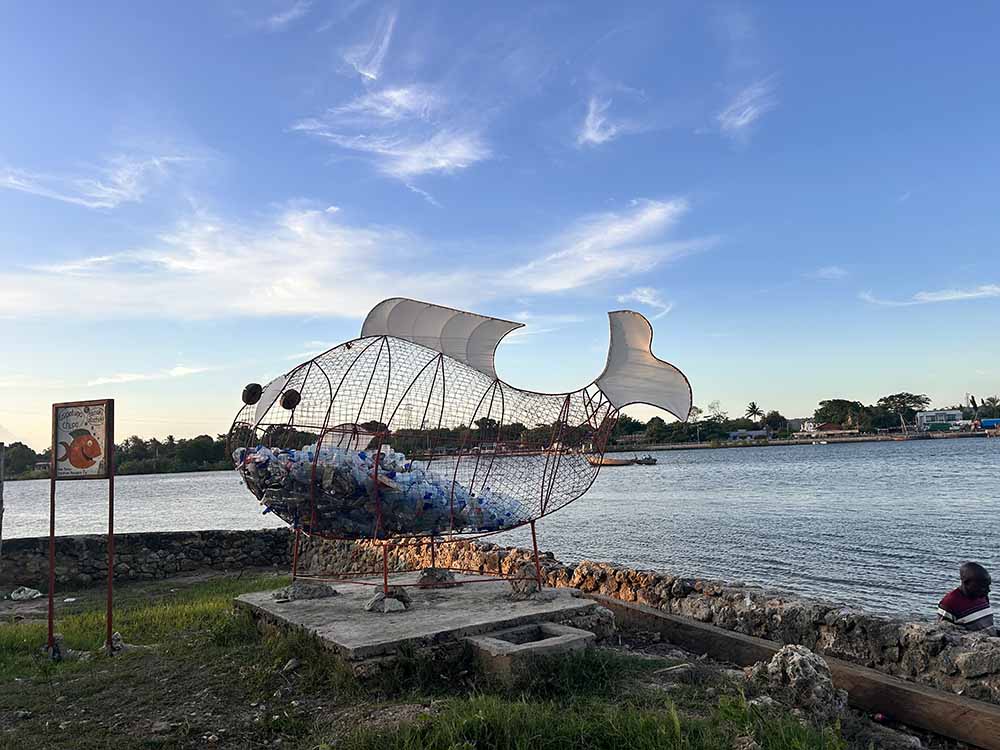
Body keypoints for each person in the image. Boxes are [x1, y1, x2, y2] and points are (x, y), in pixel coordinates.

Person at [937, 562, 995, 633]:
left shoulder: (982, 596)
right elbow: (941, 633)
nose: (988, 590)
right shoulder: (949, 603)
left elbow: (988, 627)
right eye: (983, 587)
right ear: (966, 583)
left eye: (988, 585)